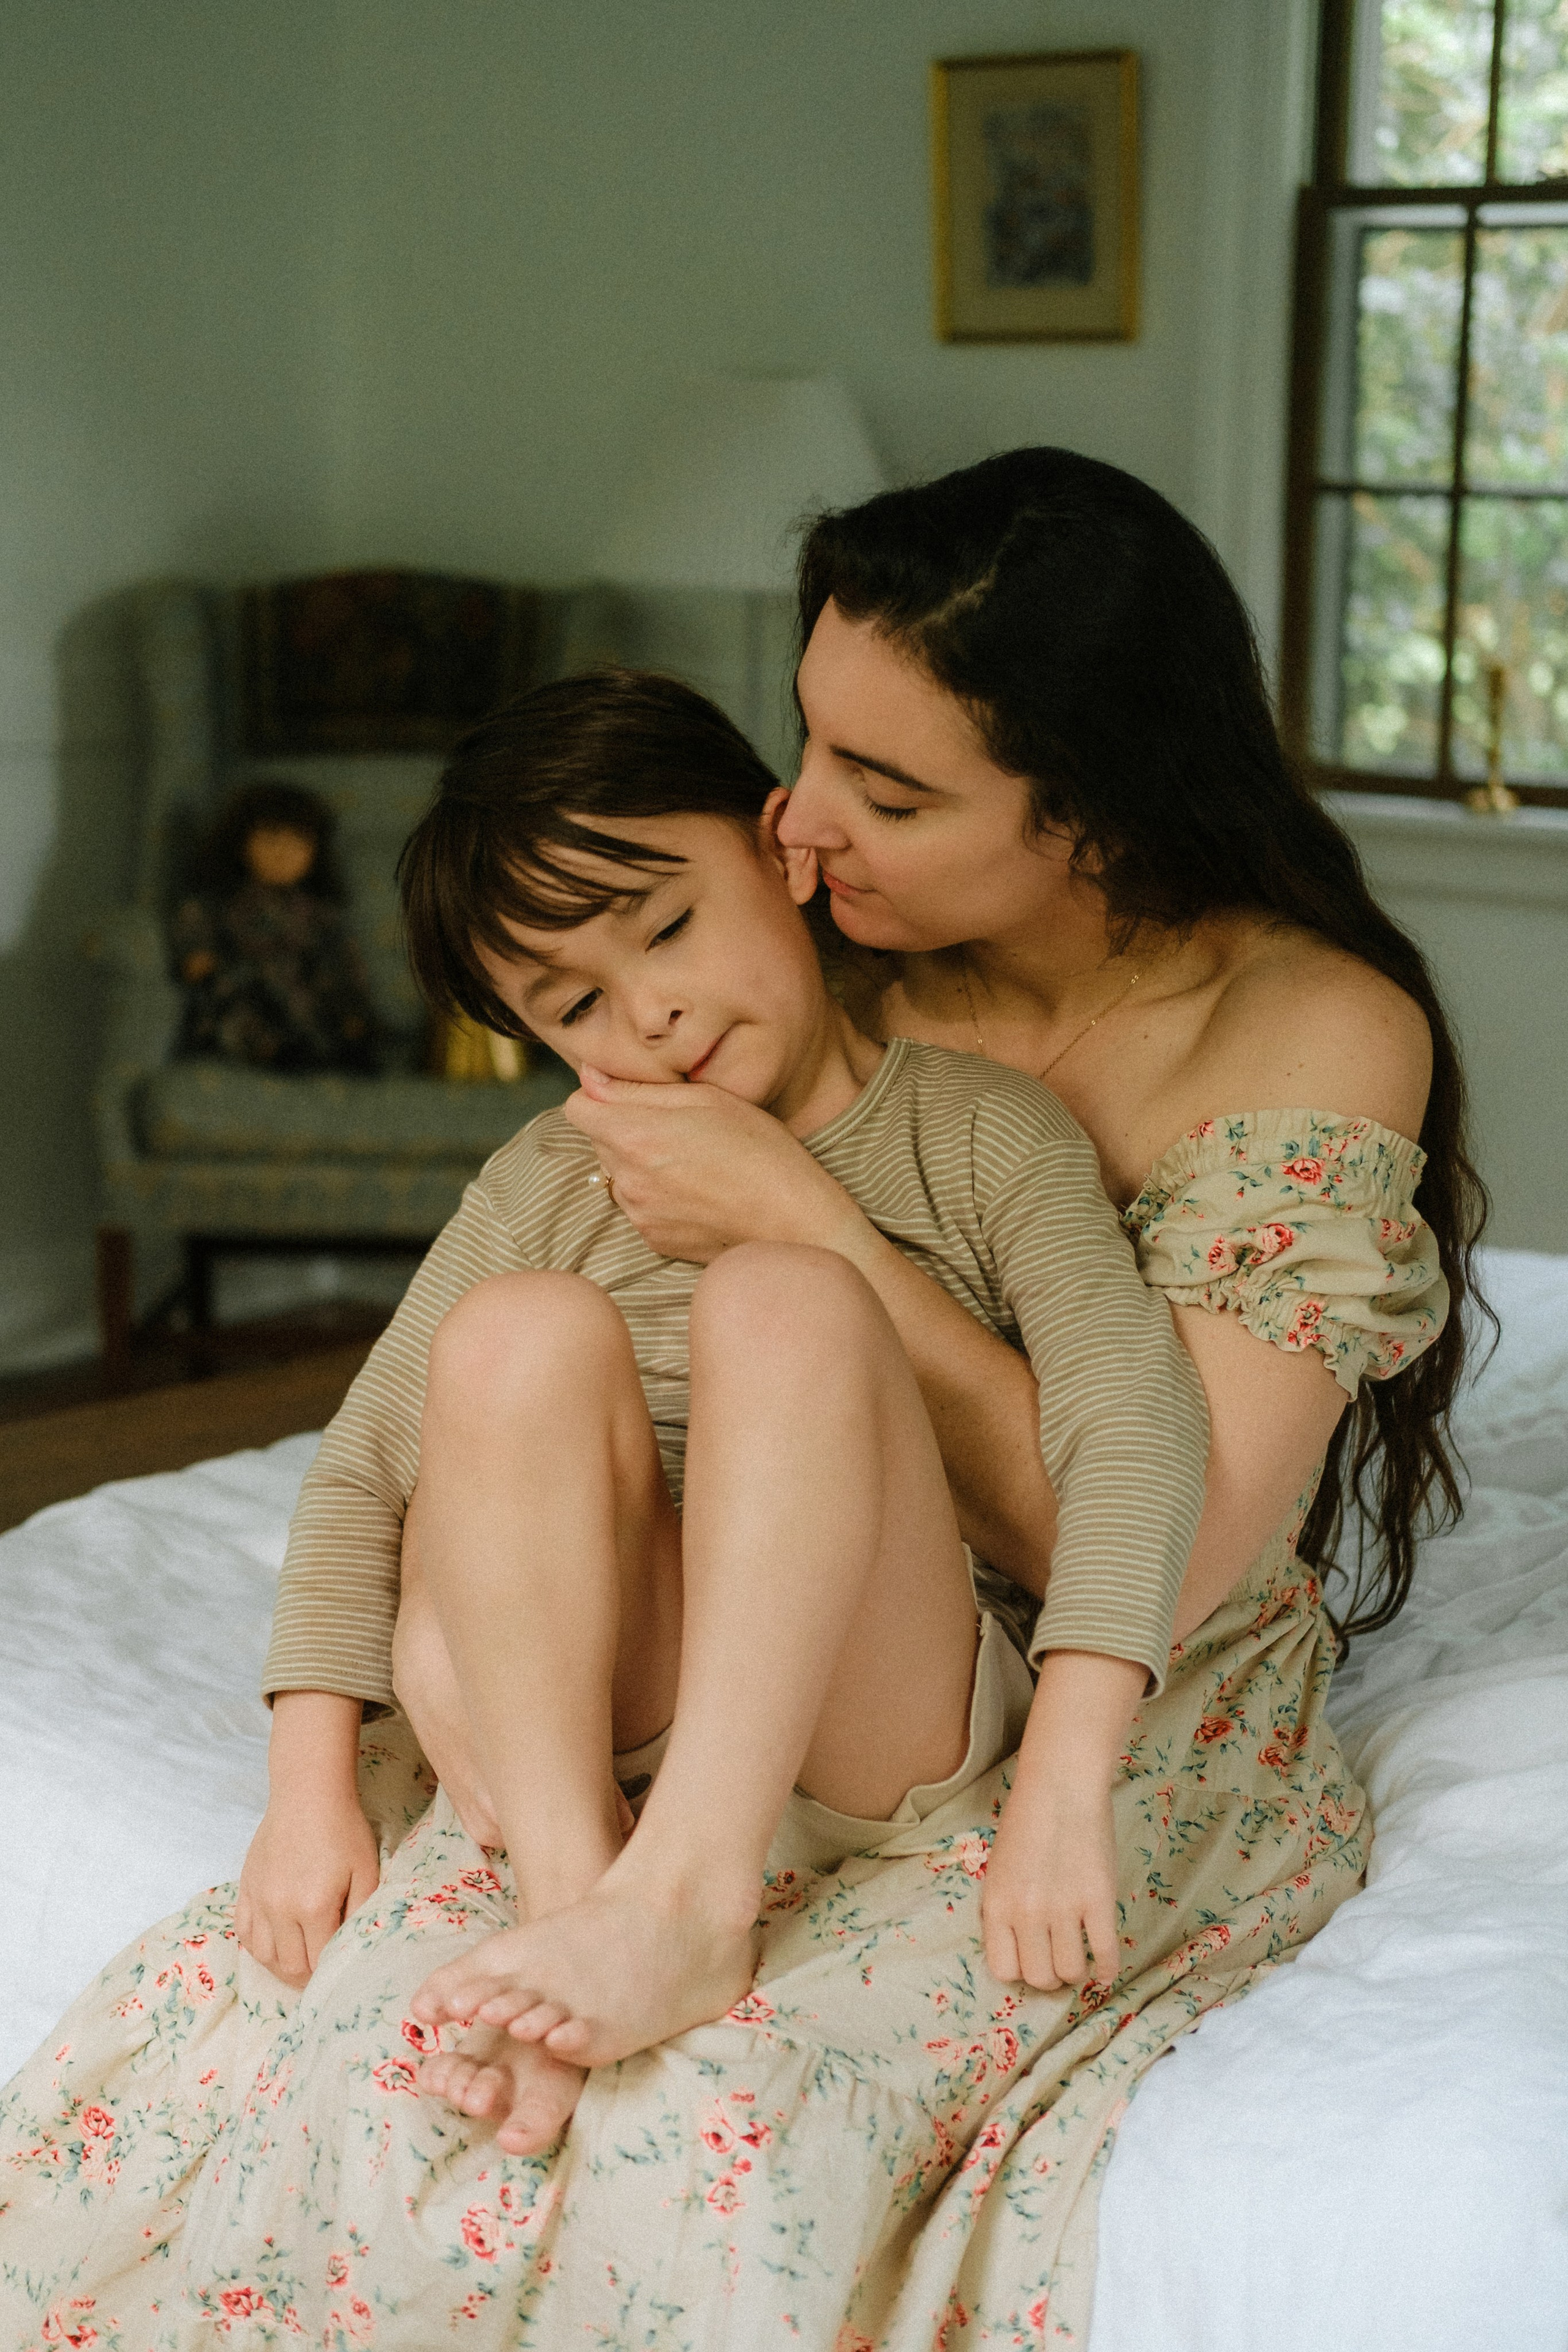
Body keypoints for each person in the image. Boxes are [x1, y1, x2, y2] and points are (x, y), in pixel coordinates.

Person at [0, 448, 1466, 2351]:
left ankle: (674, 1901)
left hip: (1055, 1646)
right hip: (731, 1576)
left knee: (724, 2101)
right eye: (802, 745)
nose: (798, 821)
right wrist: (354, 1711)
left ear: (1089, 802)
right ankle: (588, 1875)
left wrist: (813, 1230)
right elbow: (438, 1399)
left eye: (889, 787)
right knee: (508, 1383)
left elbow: (1157, 1551)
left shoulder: (1290, 1031)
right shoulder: (770, 922)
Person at [241, 664, 1209, 2156]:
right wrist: (306, 1793)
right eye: (576, 1004)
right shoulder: (548, 1176)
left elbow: (1130, 1432)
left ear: (775, 850)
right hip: (613, 1715)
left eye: (669, 926)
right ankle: (579, 1901)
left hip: (868, 1714)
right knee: (507, 1337)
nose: (654, 1008)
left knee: (781, 1296)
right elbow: (360, 1473)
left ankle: (687, 1904)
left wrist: (1068, 1782)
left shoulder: (980, 1132)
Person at [172, 777, 382, 1074]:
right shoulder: (215, 904)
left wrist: (353, 1018)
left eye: (299, 843)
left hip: (311, 1017)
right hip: (246, 1010)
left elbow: (345, 967)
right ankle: (275, 1050)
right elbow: (199, 965)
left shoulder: (320, 914)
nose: (284, 853)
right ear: (241, 841)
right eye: (271, 839)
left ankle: (334, 1054)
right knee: (229, 992)